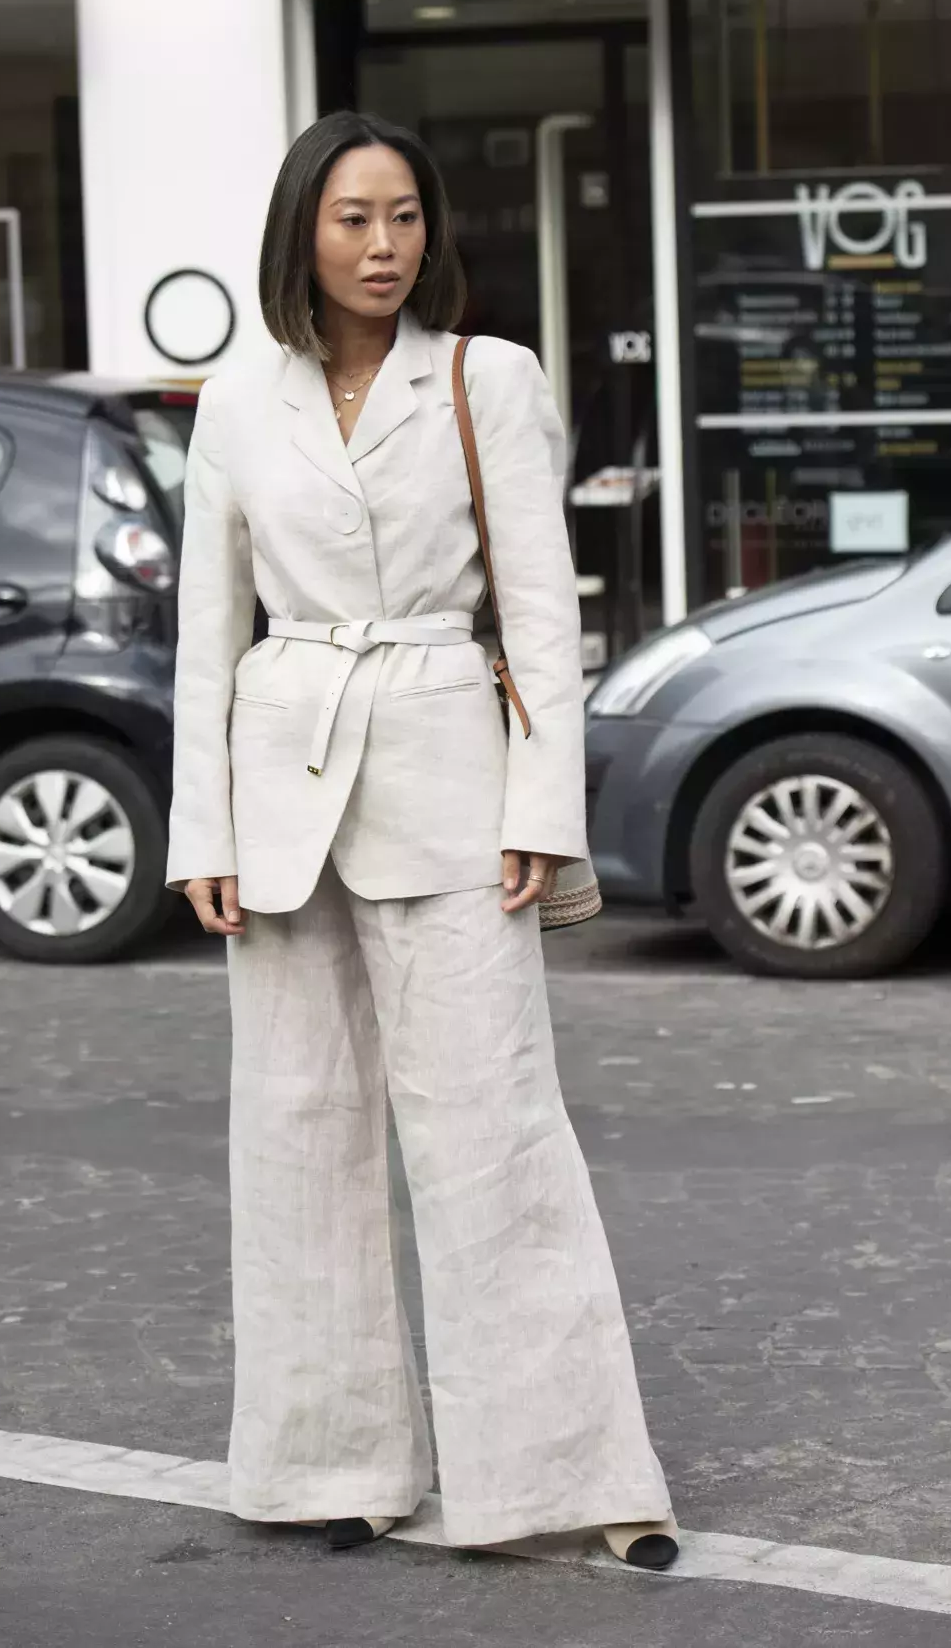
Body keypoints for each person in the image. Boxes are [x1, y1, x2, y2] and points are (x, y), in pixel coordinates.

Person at [166, 110, 677, 1569]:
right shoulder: (236, 402)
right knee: (297, 1132)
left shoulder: (485, 377)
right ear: (302, 234)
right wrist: (202, 827)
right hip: (280, 792)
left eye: (405, 217)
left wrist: (543, 806)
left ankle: (568, 1476)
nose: (385, 246)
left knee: (493, 1128)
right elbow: (208, 631)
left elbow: (545, 611)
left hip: (453, 780)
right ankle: (330, 1465)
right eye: (353, 220)